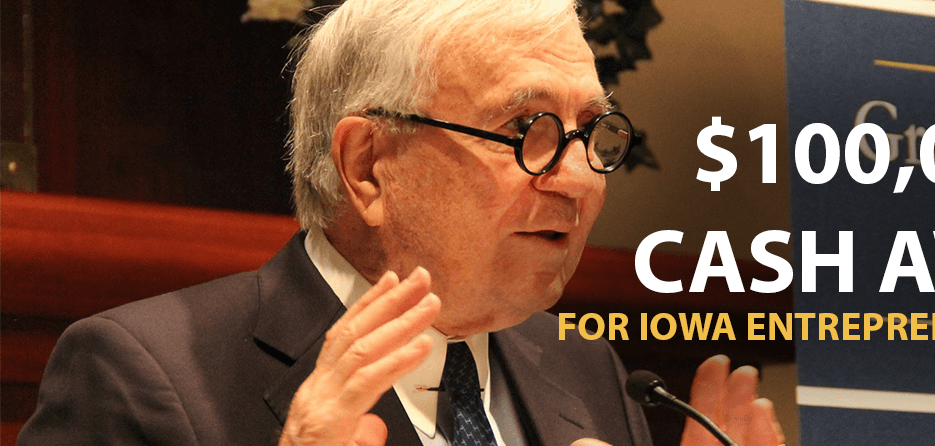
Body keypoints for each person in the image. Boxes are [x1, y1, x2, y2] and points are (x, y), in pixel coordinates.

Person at [16, 1, 783, 445]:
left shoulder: (587, 370)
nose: (581, 177)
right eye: (527, 129)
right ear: (368, 165)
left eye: (592, 131)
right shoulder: (140, 373)